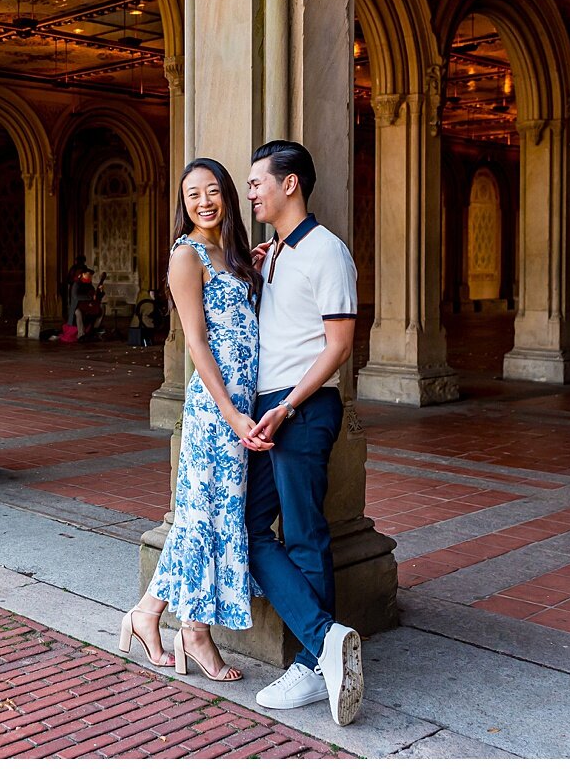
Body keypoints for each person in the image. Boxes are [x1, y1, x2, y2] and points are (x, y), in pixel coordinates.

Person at [119, 157, 262, 681]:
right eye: (191, 194)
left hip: (242, 404)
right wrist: (228, 411)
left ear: (226, 194)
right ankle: (195, 633)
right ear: (182, 205)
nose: (203, 201)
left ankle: (148, 614)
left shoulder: (232, 253)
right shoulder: (188, 254)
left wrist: (255, 264)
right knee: (204, 516)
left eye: (211, 191)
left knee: (208, 515)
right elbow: (197, 343)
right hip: (215, 407)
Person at [241, 139, 365, 726]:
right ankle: (327, 641)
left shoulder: (328, 253)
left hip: (304, 409)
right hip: (271, 410)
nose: (250, 191)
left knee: (305, 533)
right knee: (248, 529)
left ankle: (316, 663)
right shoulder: (277, 255)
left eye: (257, 181)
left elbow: (339, 347)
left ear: (290, 184)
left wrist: (288, 407)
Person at [70, 267, 106, 340]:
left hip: (88, 305)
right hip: (77, 306)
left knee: (101, 307)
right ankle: (81, 334)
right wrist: (90, 297)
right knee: (78, 312)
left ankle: (95, 329)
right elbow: (75, 296)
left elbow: (96, 296)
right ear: (83, 274)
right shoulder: (76, 284)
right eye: (88, 274)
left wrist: (101, 291)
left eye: (90, 275)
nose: (90, 276)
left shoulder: (89, 285)